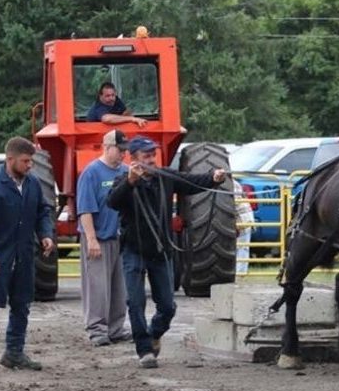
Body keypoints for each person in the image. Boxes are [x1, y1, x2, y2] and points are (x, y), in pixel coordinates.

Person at [107, 135, 227, 368]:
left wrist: (214, 178)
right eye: (146, 156)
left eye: (153, 155)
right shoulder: (124, 180)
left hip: (161, 251)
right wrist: (130, 182)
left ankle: (154, 333)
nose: (151, 160)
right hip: (134, 251)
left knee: (168, 306)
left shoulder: (165, 177)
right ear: (133, 159)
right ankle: (144, 351)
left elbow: (192, 181)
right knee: (135, 302)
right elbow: (112, 202)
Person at [0, 137, 55, 373]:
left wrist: (45, 233)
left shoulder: (33, 185)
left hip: (24, 257)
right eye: (25, 161)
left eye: (31, 161)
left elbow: (42, 211)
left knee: (22, 305)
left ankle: (14, 353)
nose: (29, 166)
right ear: (10, 159)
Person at [76, 130, 132, 347]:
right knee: (97, 286)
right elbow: (86, 210)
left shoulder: (127, 172)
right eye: (120, 150)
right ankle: (97, 328)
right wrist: (91, 239)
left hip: (119, 238)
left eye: (125, 150)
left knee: (120, 286)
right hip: (98, 237)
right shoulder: (91, 173)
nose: (123, 155)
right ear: (107, 147)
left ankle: (116, 328)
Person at [234, 180, 255, 275]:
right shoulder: (234, 183)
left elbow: (234, 203)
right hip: (244, 216)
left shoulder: (230, 184)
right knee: (242, 246)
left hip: (242, 217)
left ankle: (240, 272)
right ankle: (240, 272)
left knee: (242, 246)